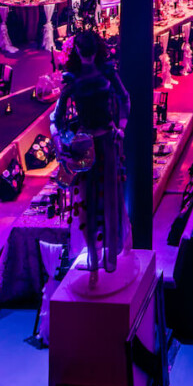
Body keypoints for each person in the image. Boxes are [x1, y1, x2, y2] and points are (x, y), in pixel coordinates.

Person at [53, 26, 131, 277]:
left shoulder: (77, 78)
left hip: (95, 143)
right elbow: (125, 99)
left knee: (97, 199)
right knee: (99, 198)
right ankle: (103, 257)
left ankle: (101, 258)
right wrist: (120, 127)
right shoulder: (89, 75)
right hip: (101, 141)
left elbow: (57, 118)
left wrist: (64, 141)